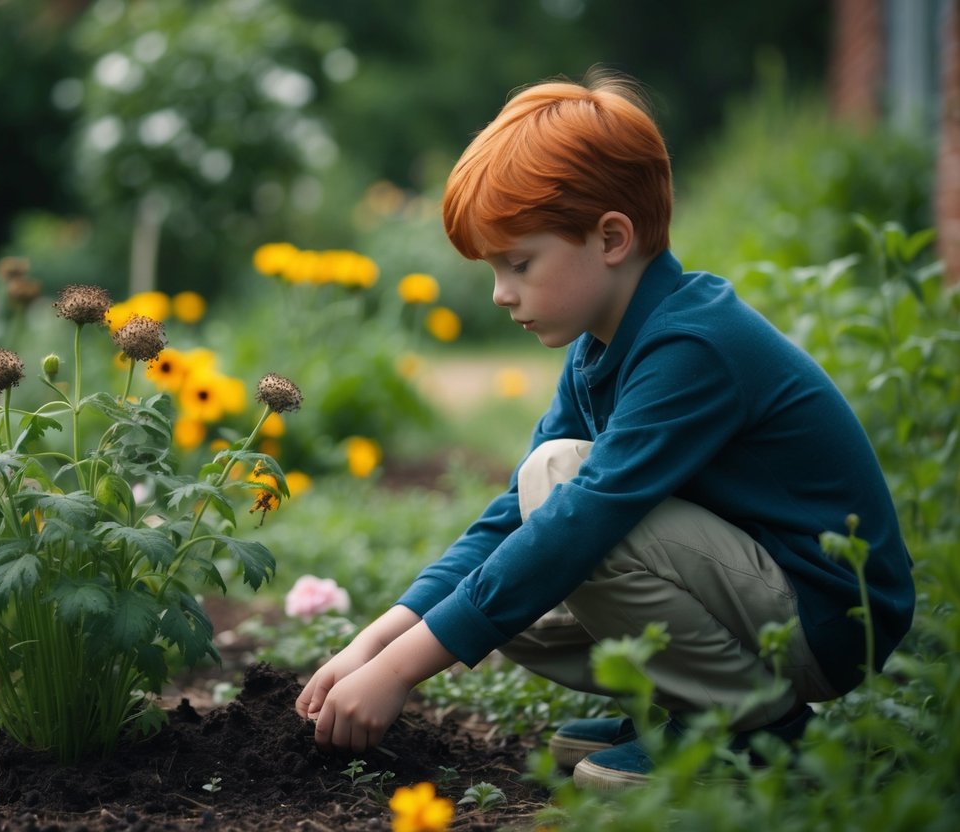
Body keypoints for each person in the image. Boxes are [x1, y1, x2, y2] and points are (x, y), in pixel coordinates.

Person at [293, 70, 914, 789]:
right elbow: (508, 524)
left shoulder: (692, 346)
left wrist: (400, 674)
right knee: (517, 562)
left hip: (825, 615)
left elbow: (581, 520)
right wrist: (374, 644)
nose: (500, 293)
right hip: (753, 592)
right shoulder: (601, 344)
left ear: (610, 237)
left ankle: (757, 732)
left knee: (556, 487)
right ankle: (679, 705)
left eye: (518, 263)